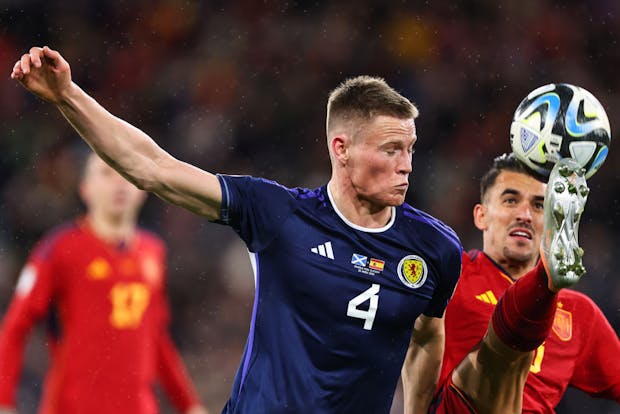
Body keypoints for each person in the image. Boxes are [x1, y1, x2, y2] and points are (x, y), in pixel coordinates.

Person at [10, 46, 462, 413]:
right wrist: (69, 95)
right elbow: (154, 168)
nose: (407, 166)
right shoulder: (279, 215)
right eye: (391, 149)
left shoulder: (433, 249)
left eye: (411, 149)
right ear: (341, 149)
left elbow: (427, 334)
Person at [0, 151, 210, 414]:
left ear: (143, 187)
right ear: (85, 189)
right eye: (107, 173)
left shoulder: (153, 251)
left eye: (126, 173)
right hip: (72, 407)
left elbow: (156, 337)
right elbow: (16, 325)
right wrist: (4, 401)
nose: (119, 183)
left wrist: (189, 404)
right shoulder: (60, 249)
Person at [424, 154, 620, 413]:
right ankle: (545, 278)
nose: (525, 215)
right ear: (481, 216)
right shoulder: (450, 273)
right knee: (495, 357)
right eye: (511, 200)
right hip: (458, 407)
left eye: (540, 206)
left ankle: (546, 279)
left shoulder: (579, 314)